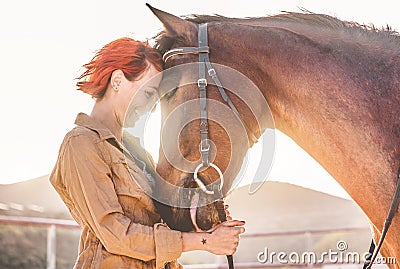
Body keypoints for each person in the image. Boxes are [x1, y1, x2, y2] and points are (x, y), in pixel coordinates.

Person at [50, 37, 245, 269]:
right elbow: (116, 234)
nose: (151, 107)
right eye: (149, 92)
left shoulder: (135, 151)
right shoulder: (82, 143)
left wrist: (205, 222)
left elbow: (158, 223)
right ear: (118, 80)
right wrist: (205, 242)